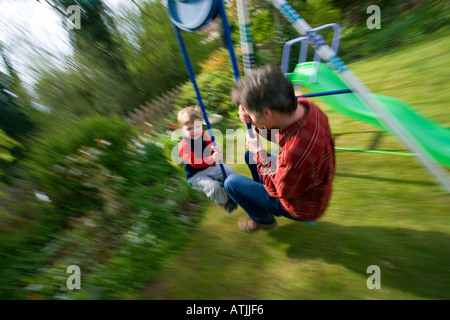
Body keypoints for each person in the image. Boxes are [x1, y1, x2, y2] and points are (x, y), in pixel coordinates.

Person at [224, 65, 336, 232]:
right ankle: (260, 201)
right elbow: (279, 134)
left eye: (252, 113)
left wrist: (260, 153)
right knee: (250, 156)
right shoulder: (307, 107)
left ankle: (263, 219)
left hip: (302, 205)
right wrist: (254, 120)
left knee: (231, 183)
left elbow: (278, 190)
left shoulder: (295, 152)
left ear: (267, 113)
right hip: (312, 186)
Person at [178, 106, 237, 213]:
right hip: (195, 174)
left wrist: (215, 148)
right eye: (189, 128)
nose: (194, 131)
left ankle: (231, 193)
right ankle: (225, 203)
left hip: (209, 167)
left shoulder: (203, 135)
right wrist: (212, 158)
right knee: (214, 187)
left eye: (197, 127)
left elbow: (210, 145)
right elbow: (195, 163)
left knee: (229, 171)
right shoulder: (184, 145)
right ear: (182, 129)